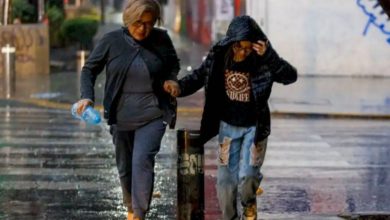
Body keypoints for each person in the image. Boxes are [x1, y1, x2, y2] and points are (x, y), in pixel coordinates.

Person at [165, 15, 297, 219]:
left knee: (248, 176)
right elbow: (199, 76)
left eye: (247, 47)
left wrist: (269, 55)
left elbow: (290, 76)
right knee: (225, 182)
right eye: (239, 46)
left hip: (255, 129)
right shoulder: (219, 56)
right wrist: (180, 87)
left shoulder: (263, 60)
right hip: (227, 128)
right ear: (231, 42)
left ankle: (249, 202)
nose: (243, 52)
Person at [75, 0, 180, 219]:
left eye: (149, 24)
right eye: (139, 23)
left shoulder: (161, 39)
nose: (144, 29)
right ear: (129, 20)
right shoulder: (112, 41)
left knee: (142, 160)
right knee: (125, 166)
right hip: (121, 115)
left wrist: (171, 80)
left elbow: (173, 64)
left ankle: (139, 214)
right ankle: (131, 207)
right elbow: (89, 69)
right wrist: (87, 97)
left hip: (153, 113)